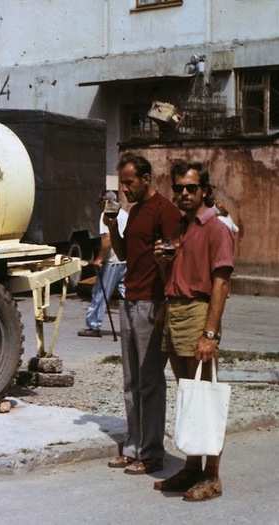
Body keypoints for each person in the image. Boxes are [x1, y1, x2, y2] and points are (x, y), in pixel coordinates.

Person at [152, 161, 234, 501]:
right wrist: (163, 263)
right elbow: (175, 276)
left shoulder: (217, 227)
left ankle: (212, 476)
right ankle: (191, 468)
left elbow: (221, 282)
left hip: (198, 313)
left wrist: (210, 333)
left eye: (191, 188)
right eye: (179, 188)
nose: (184, 194)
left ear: (204, 190)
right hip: (175, 312)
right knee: (188, 395)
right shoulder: (182, 227)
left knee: (204, 396)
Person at [103, 153, 181, 475]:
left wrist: (166, 304)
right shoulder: (133, 212)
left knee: (149, 382)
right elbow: (124, 254)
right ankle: (133, 446)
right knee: (130, 380)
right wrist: (113, 228)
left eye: (129, 182)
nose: (124, 189)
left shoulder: (166, 211)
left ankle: (151, 453)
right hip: (129, 299)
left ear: (146, 178)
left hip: (151, 303)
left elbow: (174, 258)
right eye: (122, 183)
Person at [79, 190, 128, 338]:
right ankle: (135, 322)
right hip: (124, 259)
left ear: (106, 202)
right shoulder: (124, 214)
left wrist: (99, 259)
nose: (99, 206)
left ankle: (93, 325)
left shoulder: (106, 215)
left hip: (113, 260)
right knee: (126, 292)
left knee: (100, 292)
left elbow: (107, 241)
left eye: (101, 202)